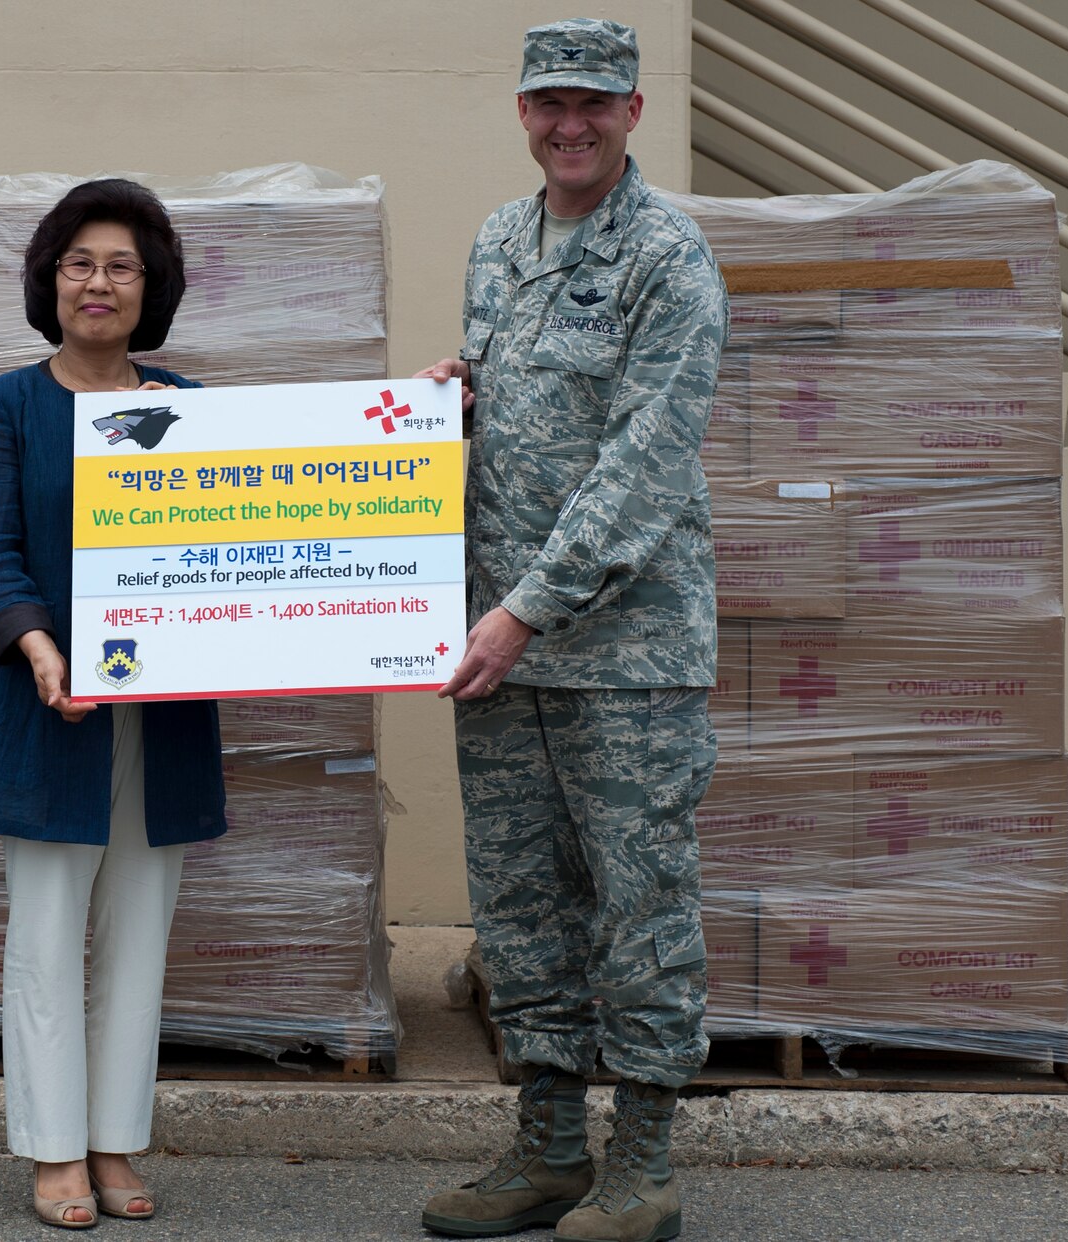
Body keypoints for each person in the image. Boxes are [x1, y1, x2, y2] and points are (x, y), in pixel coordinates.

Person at [414, 20, 727, 1242]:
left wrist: (522, 612)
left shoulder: (667, 255)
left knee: (637, 904)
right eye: (548, 101)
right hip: (495, 647)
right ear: (522, 110)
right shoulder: (500, 237)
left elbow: (643, 465)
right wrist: (446, 404)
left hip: (621, 655)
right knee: (519, 899)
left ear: (632, 111)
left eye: (592, 103)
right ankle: (546, 1145)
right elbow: (524, 402)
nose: (569, 123)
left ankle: (640, 1161)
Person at [0, 179, 228, 1230]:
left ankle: (113, 1141)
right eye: (78, 263)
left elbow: (239, 546)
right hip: (48, 706)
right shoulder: (7, 407)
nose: (99, 282)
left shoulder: (191, 410)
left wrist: (424, 417)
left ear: (148, 285)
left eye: (120, 264)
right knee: (47, 931)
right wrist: (37, 648)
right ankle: (52, 1150)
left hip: (161, 719)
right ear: (48, 282)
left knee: (138, 937)